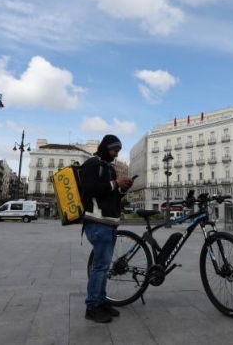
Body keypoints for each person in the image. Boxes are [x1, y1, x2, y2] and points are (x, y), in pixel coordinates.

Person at [80, 134, 133, 323]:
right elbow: (89, 189)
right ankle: (92, 307)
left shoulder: (108, 168)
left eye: (118, 151)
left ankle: (101, 302)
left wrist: (122, 189)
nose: (116, 154)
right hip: (97, 222)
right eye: (114, 150)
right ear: (105, 147)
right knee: (101, 266)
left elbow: (110, 195)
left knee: (103, 266)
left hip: (109, 223)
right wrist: (115, 183)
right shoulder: (92, 164)